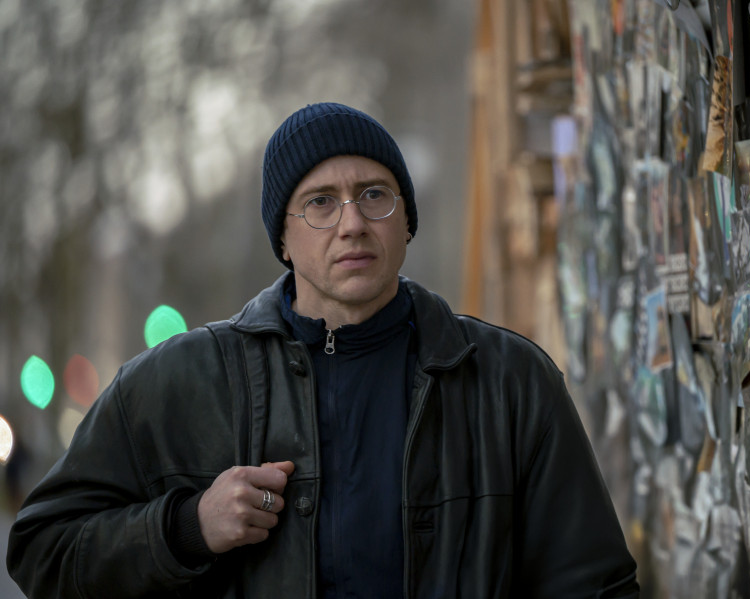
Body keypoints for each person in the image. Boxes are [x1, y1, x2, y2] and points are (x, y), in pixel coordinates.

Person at [7, 102, 639, 598]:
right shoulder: (179, 382)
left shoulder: (508, 381)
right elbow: (42, 550)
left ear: (406, 221)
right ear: (282, 238)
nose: (352, 223)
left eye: (374, 194)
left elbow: (594, 585)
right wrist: (187, 528)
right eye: (319, 203)